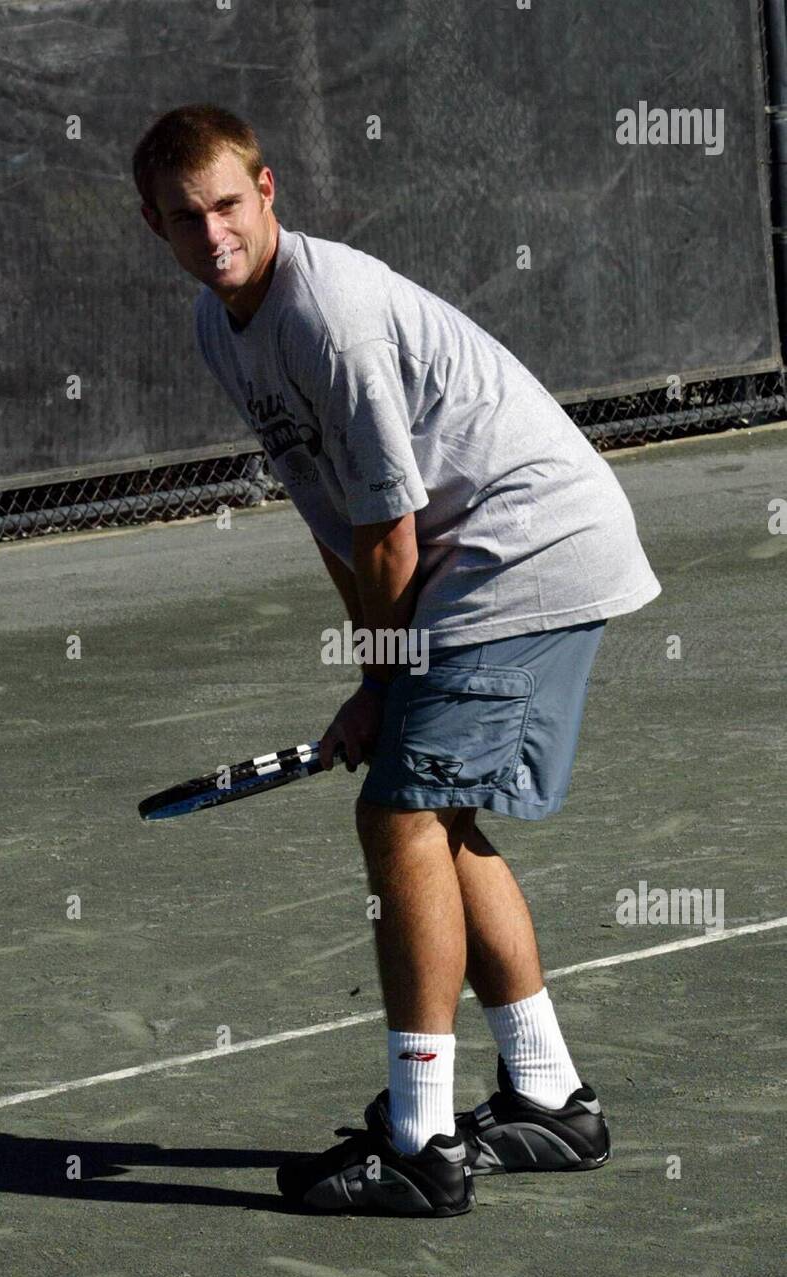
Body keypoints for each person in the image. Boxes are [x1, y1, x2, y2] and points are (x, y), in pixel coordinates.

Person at [134, 104, 661, 1217]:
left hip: (525, 550)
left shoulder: (326, 313)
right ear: (159, 229)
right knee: (438, 817)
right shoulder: (216, 326)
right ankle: (549, 1097)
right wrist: (380, 676)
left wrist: (380, 682)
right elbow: (334, 516)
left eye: (228, 205)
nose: (213, 233)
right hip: (463, 562)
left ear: (267, 192)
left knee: (399, 816)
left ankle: (421, 1143)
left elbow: (389, 531)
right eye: (187, 219)